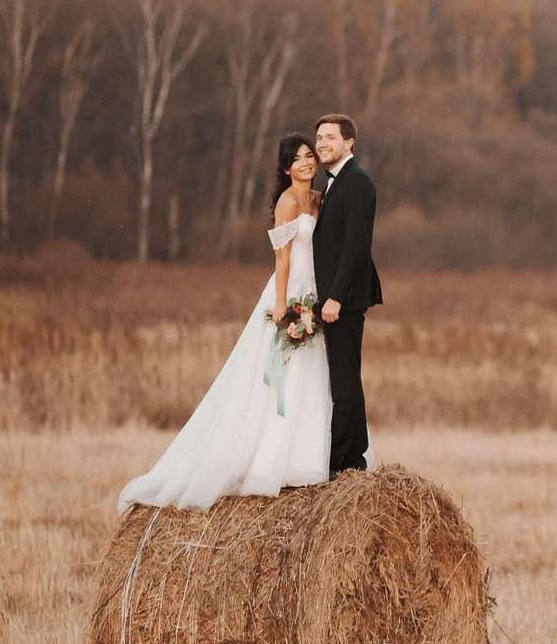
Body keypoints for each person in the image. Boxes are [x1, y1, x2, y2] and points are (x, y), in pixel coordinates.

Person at [116, 133, 342, 511]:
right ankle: (269, 461)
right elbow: (282, 261)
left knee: (313, 374)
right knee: (277, 376)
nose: (306, 163)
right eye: (298, 159)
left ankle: (307, 459)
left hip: (315, 292)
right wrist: (284, 307)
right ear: (286, 168)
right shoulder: (287, 203)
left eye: (309, 157)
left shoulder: (318, 200)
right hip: (291, 291)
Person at [311, 112, 384, 474]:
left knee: (344, 382)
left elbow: (357, 247)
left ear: (349, 142)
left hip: (345, 300)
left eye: (330, 137)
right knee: (346, 378)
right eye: (319, 137)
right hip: (332, 299)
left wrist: (336, 297)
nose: (322, 143)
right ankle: (355, 457)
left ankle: (339, 465)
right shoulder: (334, 182)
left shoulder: (358, 182)